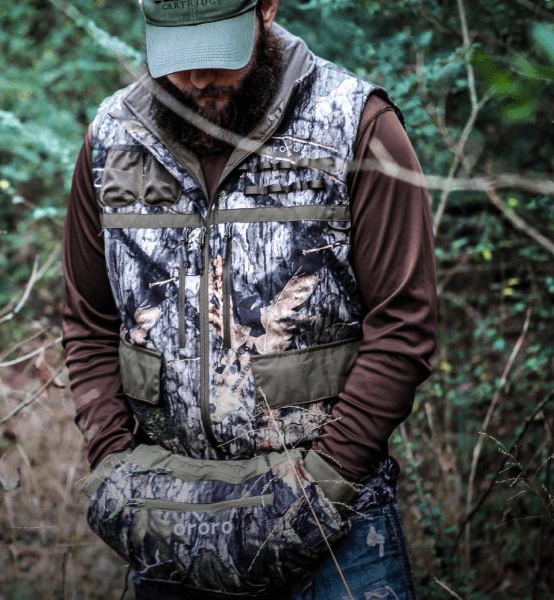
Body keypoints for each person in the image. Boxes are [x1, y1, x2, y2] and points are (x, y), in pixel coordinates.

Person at [62, 0, 437, 597]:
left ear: (266, 8)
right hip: (164, 513)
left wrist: (329, 480)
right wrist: (112, 464)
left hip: (335, 530)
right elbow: (87, 319)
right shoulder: (114, 138)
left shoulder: (354, 124)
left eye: (218, 54)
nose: (197, 78)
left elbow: (404, 323)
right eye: (179, 58)